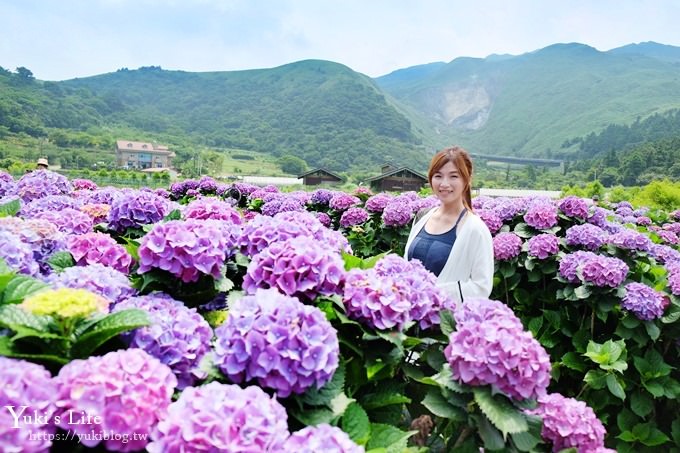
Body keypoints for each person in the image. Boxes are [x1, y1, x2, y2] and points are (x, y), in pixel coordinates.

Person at [404, 146, 494, 304]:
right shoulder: (422, 217)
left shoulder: (475, 229)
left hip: (447, 323)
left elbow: (482, 288)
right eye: (438, 176)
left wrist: (432, 295)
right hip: (409, 319)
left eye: (453, 176)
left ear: (466, 180)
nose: (444, 184)